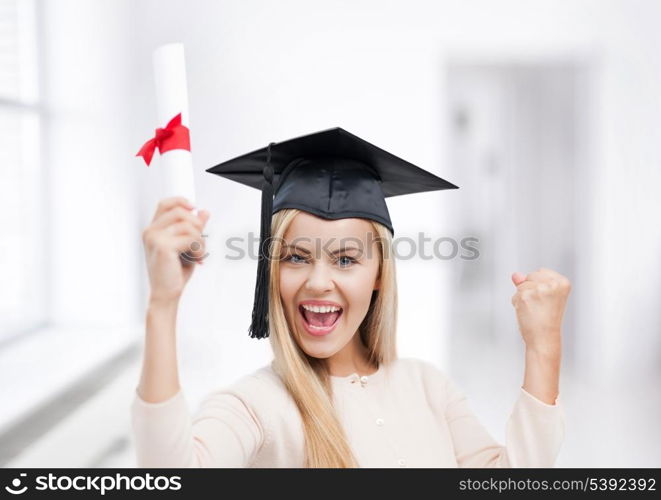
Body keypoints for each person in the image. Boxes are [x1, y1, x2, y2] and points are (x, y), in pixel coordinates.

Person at [131, 128, 569, 468]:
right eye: (296, 257)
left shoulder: (428, 387)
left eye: (344, 260)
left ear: (379, 274)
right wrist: (162, 305)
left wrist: (543, 346)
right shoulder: (255, 406)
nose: (318, 282)